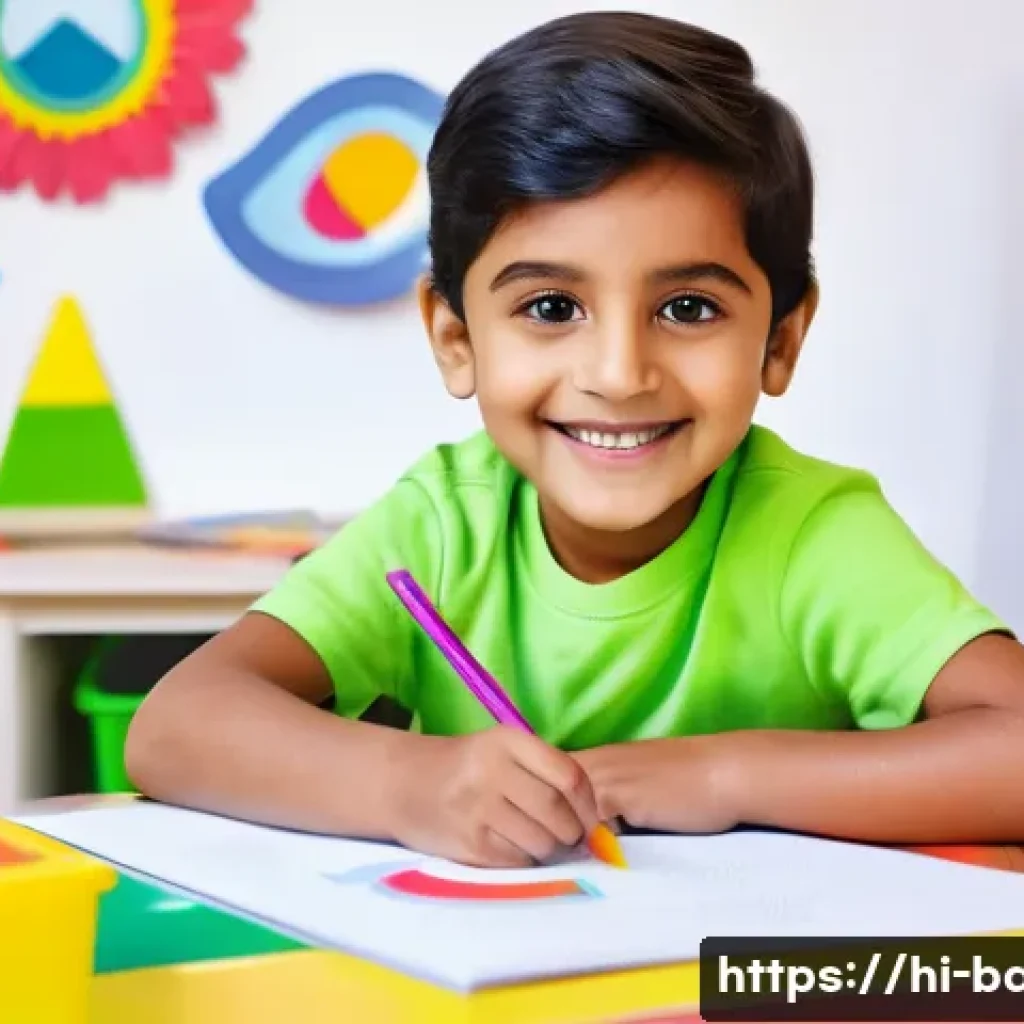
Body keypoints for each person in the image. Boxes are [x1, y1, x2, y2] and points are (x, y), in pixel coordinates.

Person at [125, 11, 1024, 867]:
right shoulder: (442, 526)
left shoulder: (816, 533)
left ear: (781, 339)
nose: (621, 372)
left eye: (689, 308)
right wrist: (409, 784)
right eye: (551, 308)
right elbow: (176, 725)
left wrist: (724, 774)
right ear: (455, 337)